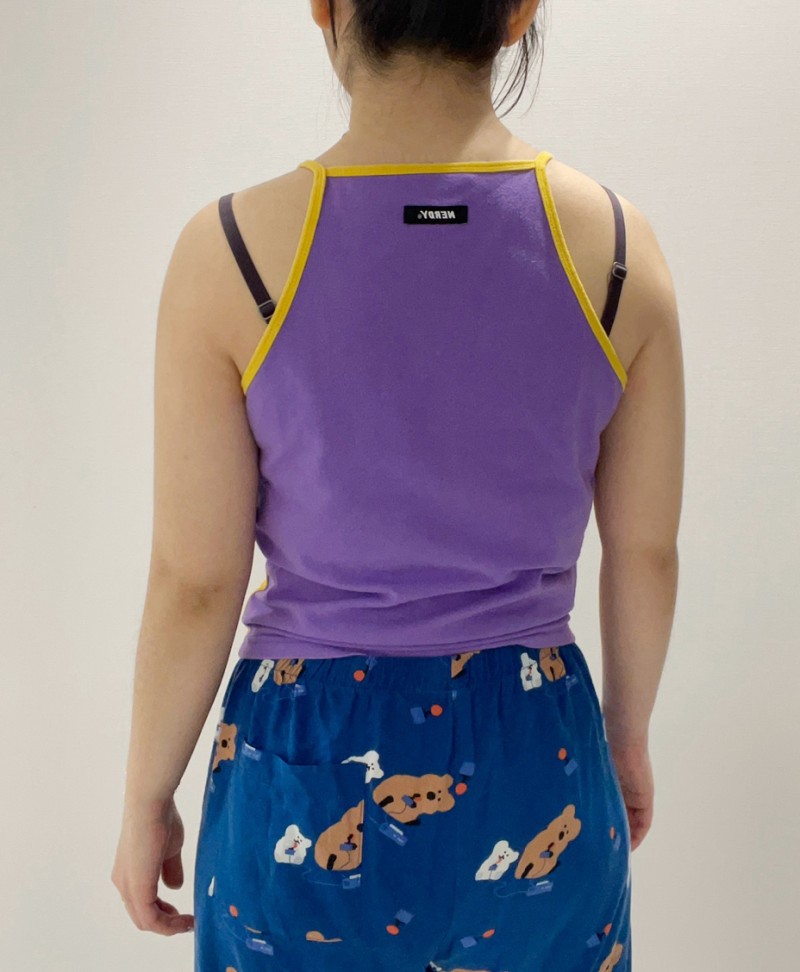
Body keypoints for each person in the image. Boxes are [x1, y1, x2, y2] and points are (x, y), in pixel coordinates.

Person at [111, 1, 683, 969]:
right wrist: (622, 743)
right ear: (517, 13)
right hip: (535, 742)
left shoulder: (231, 251)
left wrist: (143, 795)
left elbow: (195, 580)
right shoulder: (619, 248)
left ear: (326, 8)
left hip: (305, 749)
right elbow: (644, 550)